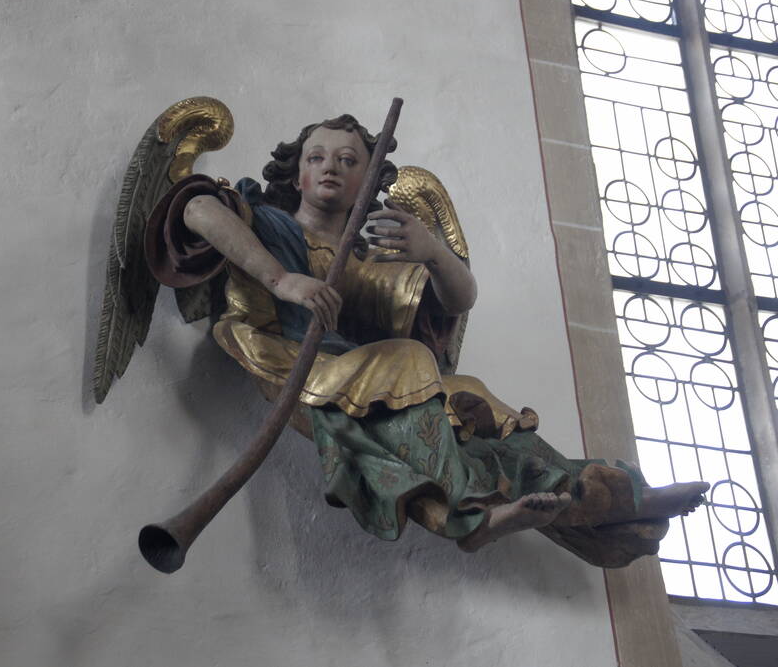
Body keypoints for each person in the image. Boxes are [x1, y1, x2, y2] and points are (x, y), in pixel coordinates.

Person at [147, 115, 709, 567]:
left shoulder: (367, 258)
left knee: (472, 395)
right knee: (410, 361)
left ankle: (613, 495)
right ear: (297, 175)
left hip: (352, 369)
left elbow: (459, 301)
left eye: (348, 161)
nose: (330, 167)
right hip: (288, 356)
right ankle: (471, 517)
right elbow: (196, 209)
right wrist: (281, 279)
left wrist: (434, 253)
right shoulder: (268, 224)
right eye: (316, 157)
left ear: (368, 183)